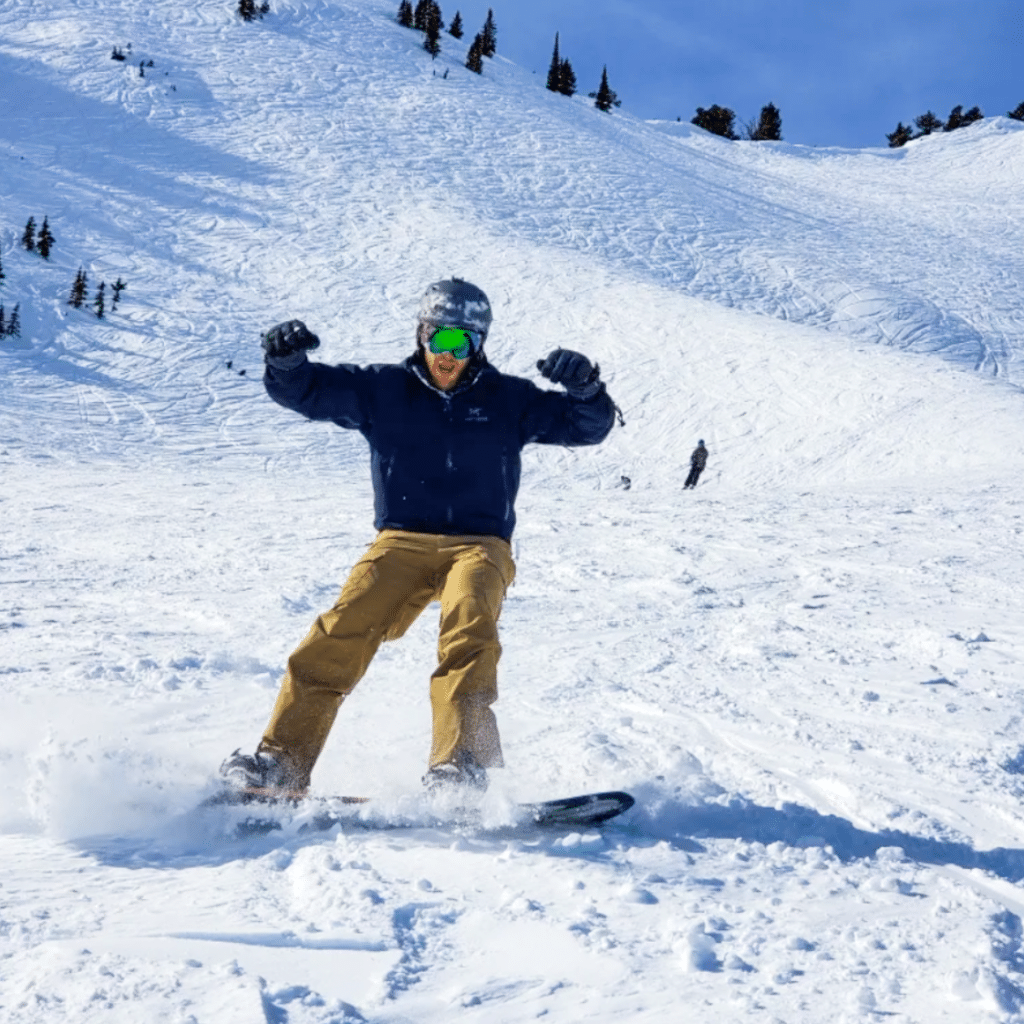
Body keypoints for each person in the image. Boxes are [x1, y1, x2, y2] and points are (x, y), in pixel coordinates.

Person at [221, 278, 617, 796]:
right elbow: (307, 392)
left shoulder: (509, 400)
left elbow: (586, 426)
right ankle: (280, 764)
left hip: (480, 543)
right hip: (401, 541)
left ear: (479, 346)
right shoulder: (382, 390)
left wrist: (587, 388)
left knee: (469, 624)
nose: (447, 355)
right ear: (420, 334)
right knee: (342, 628)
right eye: (439, 339)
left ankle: (460, 765)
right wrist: (287, 364)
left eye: (463, 343)